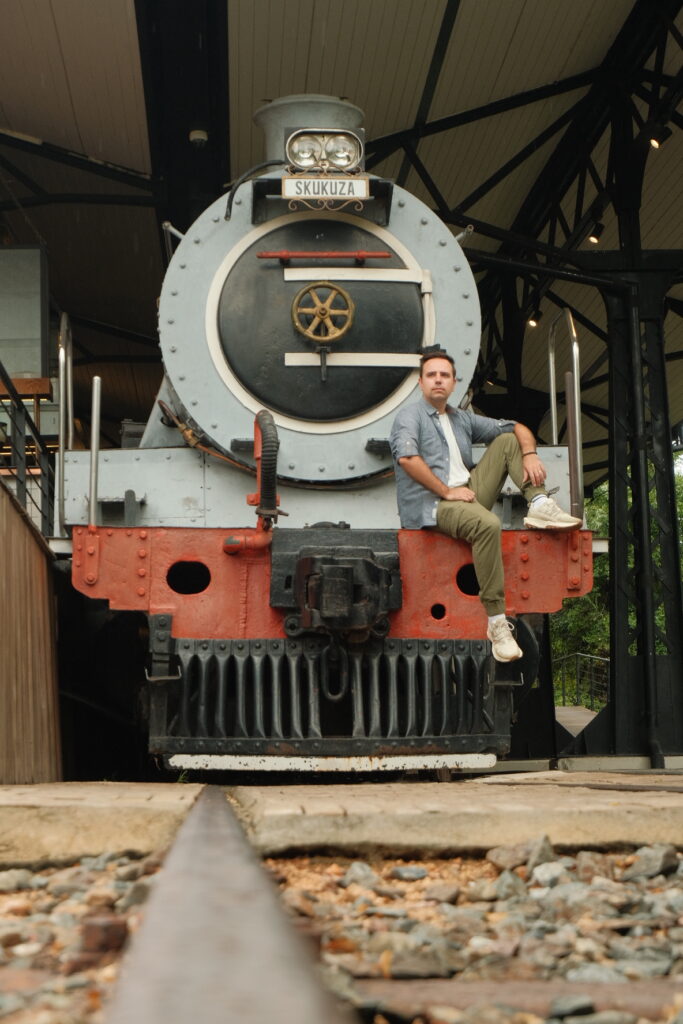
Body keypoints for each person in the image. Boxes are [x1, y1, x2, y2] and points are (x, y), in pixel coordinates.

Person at [389, 349, 582, 662]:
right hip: (433, 504)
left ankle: (540, 502)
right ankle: (496, 622)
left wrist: (530, 453)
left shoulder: (460, 417)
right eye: (431, 375)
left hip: (466, 493)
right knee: (488, 524)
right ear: (422, 383)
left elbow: (515, 428)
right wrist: (446, 491)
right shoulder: (409, 416)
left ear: (454, 383)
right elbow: (408, 459)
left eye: (444, 375)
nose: (438, 380)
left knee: (507, 442)